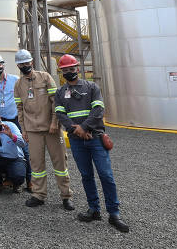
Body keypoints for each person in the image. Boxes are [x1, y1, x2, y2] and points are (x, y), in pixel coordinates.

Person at [55, 54, 129, 233]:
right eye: (65, 70)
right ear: (61, 72)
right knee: (86, 175)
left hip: (95, 137)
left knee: (106, 175)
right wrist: (76, 130)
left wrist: (84, 127)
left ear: (77, 69)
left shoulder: (92, 87)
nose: (69, 72)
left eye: (72, 69)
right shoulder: (60, 92)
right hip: (77, 140)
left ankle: (114, 213)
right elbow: (60, 114)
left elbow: (98, 110)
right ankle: (94, 209)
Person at [14, 49, 73, 210]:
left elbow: (56, 102)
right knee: (36, 165)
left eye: (27, 63)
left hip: (51, 128)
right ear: (18, 65)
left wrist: (55, 122)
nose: (25, 66)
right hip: (32, 130)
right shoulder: (18, 85)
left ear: (31, 62)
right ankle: (39, 195)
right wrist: (24, 131)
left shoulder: (45, 77)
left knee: (60, 162)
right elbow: (20, 109)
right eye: (22, 64)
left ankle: (66, 196)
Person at [0, 53, 31, 187]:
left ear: (3, 65)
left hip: (16, 119)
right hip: (2, 121)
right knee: (2, 148)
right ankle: (9, 177)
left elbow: (22, 99)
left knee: (25, 148)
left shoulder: (14, 80)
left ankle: (30, 180)